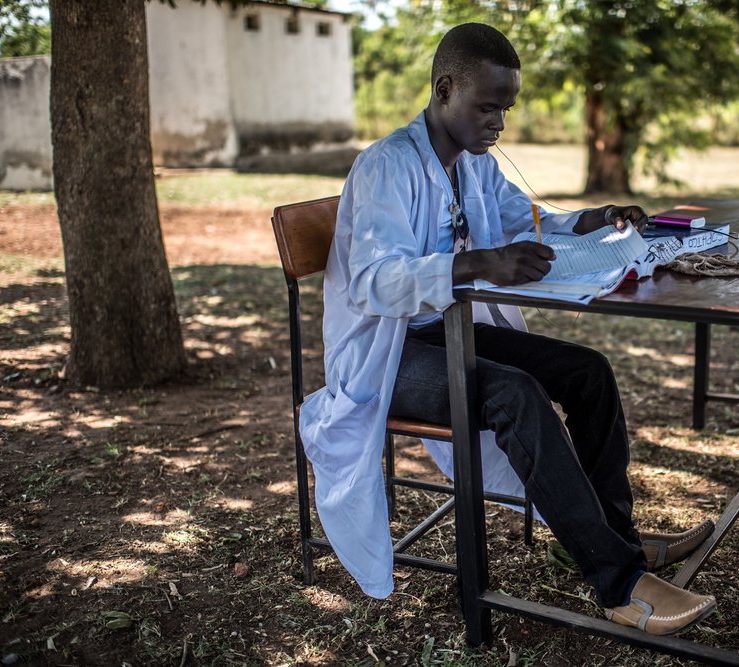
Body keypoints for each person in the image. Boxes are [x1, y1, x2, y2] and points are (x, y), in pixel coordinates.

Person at [298, 22, 717, 636]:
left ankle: (616, 537)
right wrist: (479, 262)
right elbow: (372, 283)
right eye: (487, 107)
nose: (499, 123)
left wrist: (593, 219)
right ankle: (617, 582)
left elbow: (530, 218)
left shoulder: (472, 165)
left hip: (449, 330)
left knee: (588, 372)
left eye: (506, 109)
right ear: (445, 90)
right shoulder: (387, 166)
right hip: (385, 355)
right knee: (511, 392)